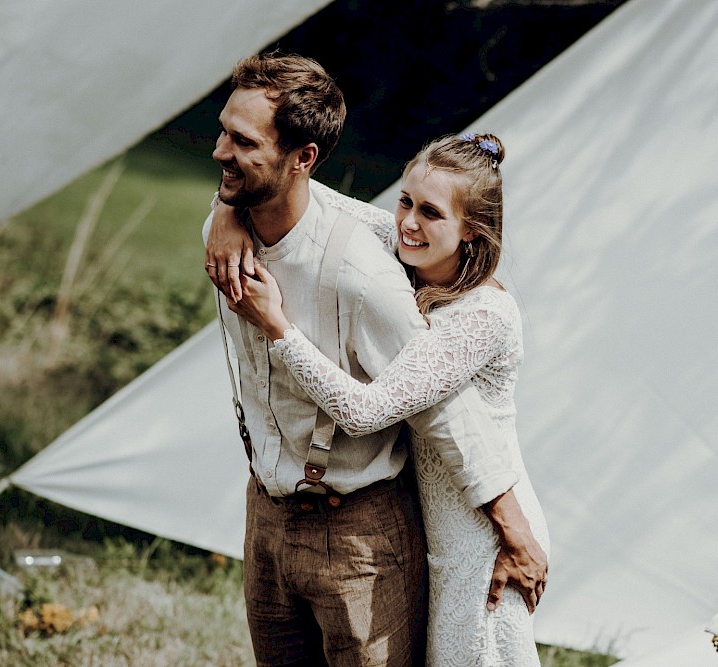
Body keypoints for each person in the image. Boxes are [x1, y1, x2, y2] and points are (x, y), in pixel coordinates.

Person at [203, 52, 547, 667]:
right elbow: (319, 202)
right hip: (291, 513)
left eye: (431, 212)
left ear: (472, 231)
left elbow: (431, 411)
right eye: (406, 202)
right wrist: (226, 212)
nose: (409, 222)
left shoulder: (469, 312)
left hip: (470, 527)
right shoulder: (399, 244)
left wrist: (510, 519)